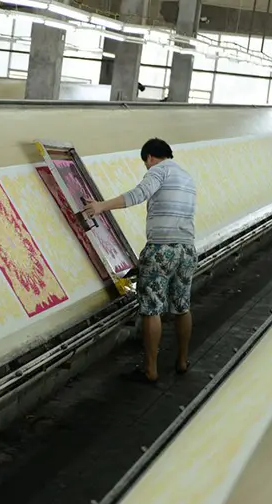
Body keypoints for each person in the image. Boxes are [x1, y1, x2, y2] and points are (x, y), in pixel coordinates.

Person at [83, 138, 197, 384]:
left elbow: (138, 194)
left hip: (160, 250)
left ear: (149, 158)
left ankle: (151, 369)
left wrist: (101, 206)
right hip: (187, 249)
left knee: (151, 308)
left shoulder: (158, 170)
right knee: (182, 306)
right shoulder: (187, 177)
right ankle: (182, 360)